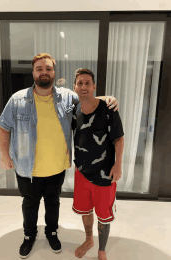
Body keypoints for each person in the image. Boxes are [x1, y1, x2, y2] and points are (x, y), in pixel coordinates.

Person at [0, 53, 119, 259]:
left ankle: (52, 233)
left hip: (57, 166)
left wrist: (108, 99)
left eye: (48, 69)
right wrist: (3, 154)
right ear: (33, 72)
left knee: (53, 202)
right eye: (39, 69)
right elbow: (3, 127)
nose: (44, 72)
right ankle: (29, 236)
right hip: (28, 168)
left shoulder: (67, 98)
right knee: (30, 203)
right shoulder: (17, 99)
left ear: (54, 73)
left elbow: (87, 99)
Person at [72, 68, 124, 260]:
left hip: (105, 174)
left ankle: (101, 250)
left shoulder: (108, 109)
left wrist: (118, 165)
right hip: (82, 172)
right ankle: (88, 240)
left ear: (94, 86)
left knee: (103, 214)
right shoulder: (73, 109)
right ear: (75, 87)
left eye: (88, 83)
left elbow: (119, 138)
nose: (84, 86)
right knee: (85, 210)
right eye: (80, 83)